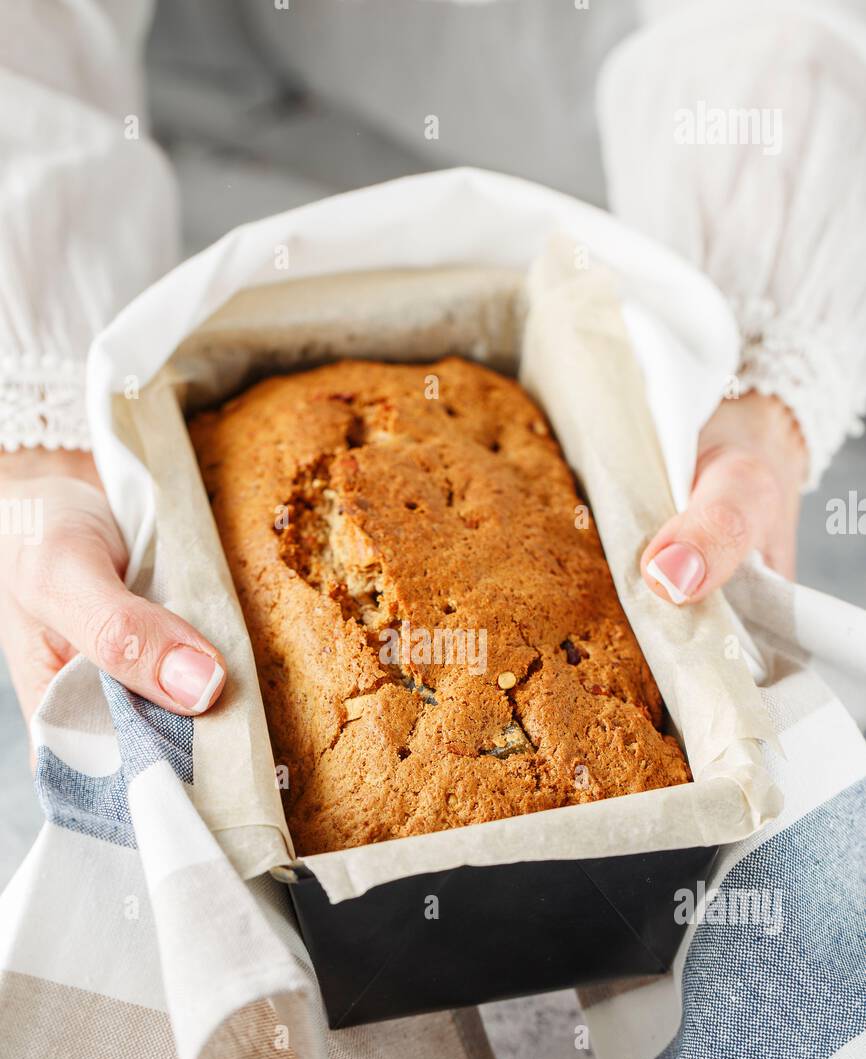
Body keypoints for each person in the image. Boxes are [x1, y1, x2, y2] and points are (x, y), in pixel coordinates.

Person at [0, 0, 863, 731]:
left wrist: (733, 369)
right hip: (159, 234)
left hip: (629, 226)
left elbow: (779, 22)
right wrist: (50, 440)